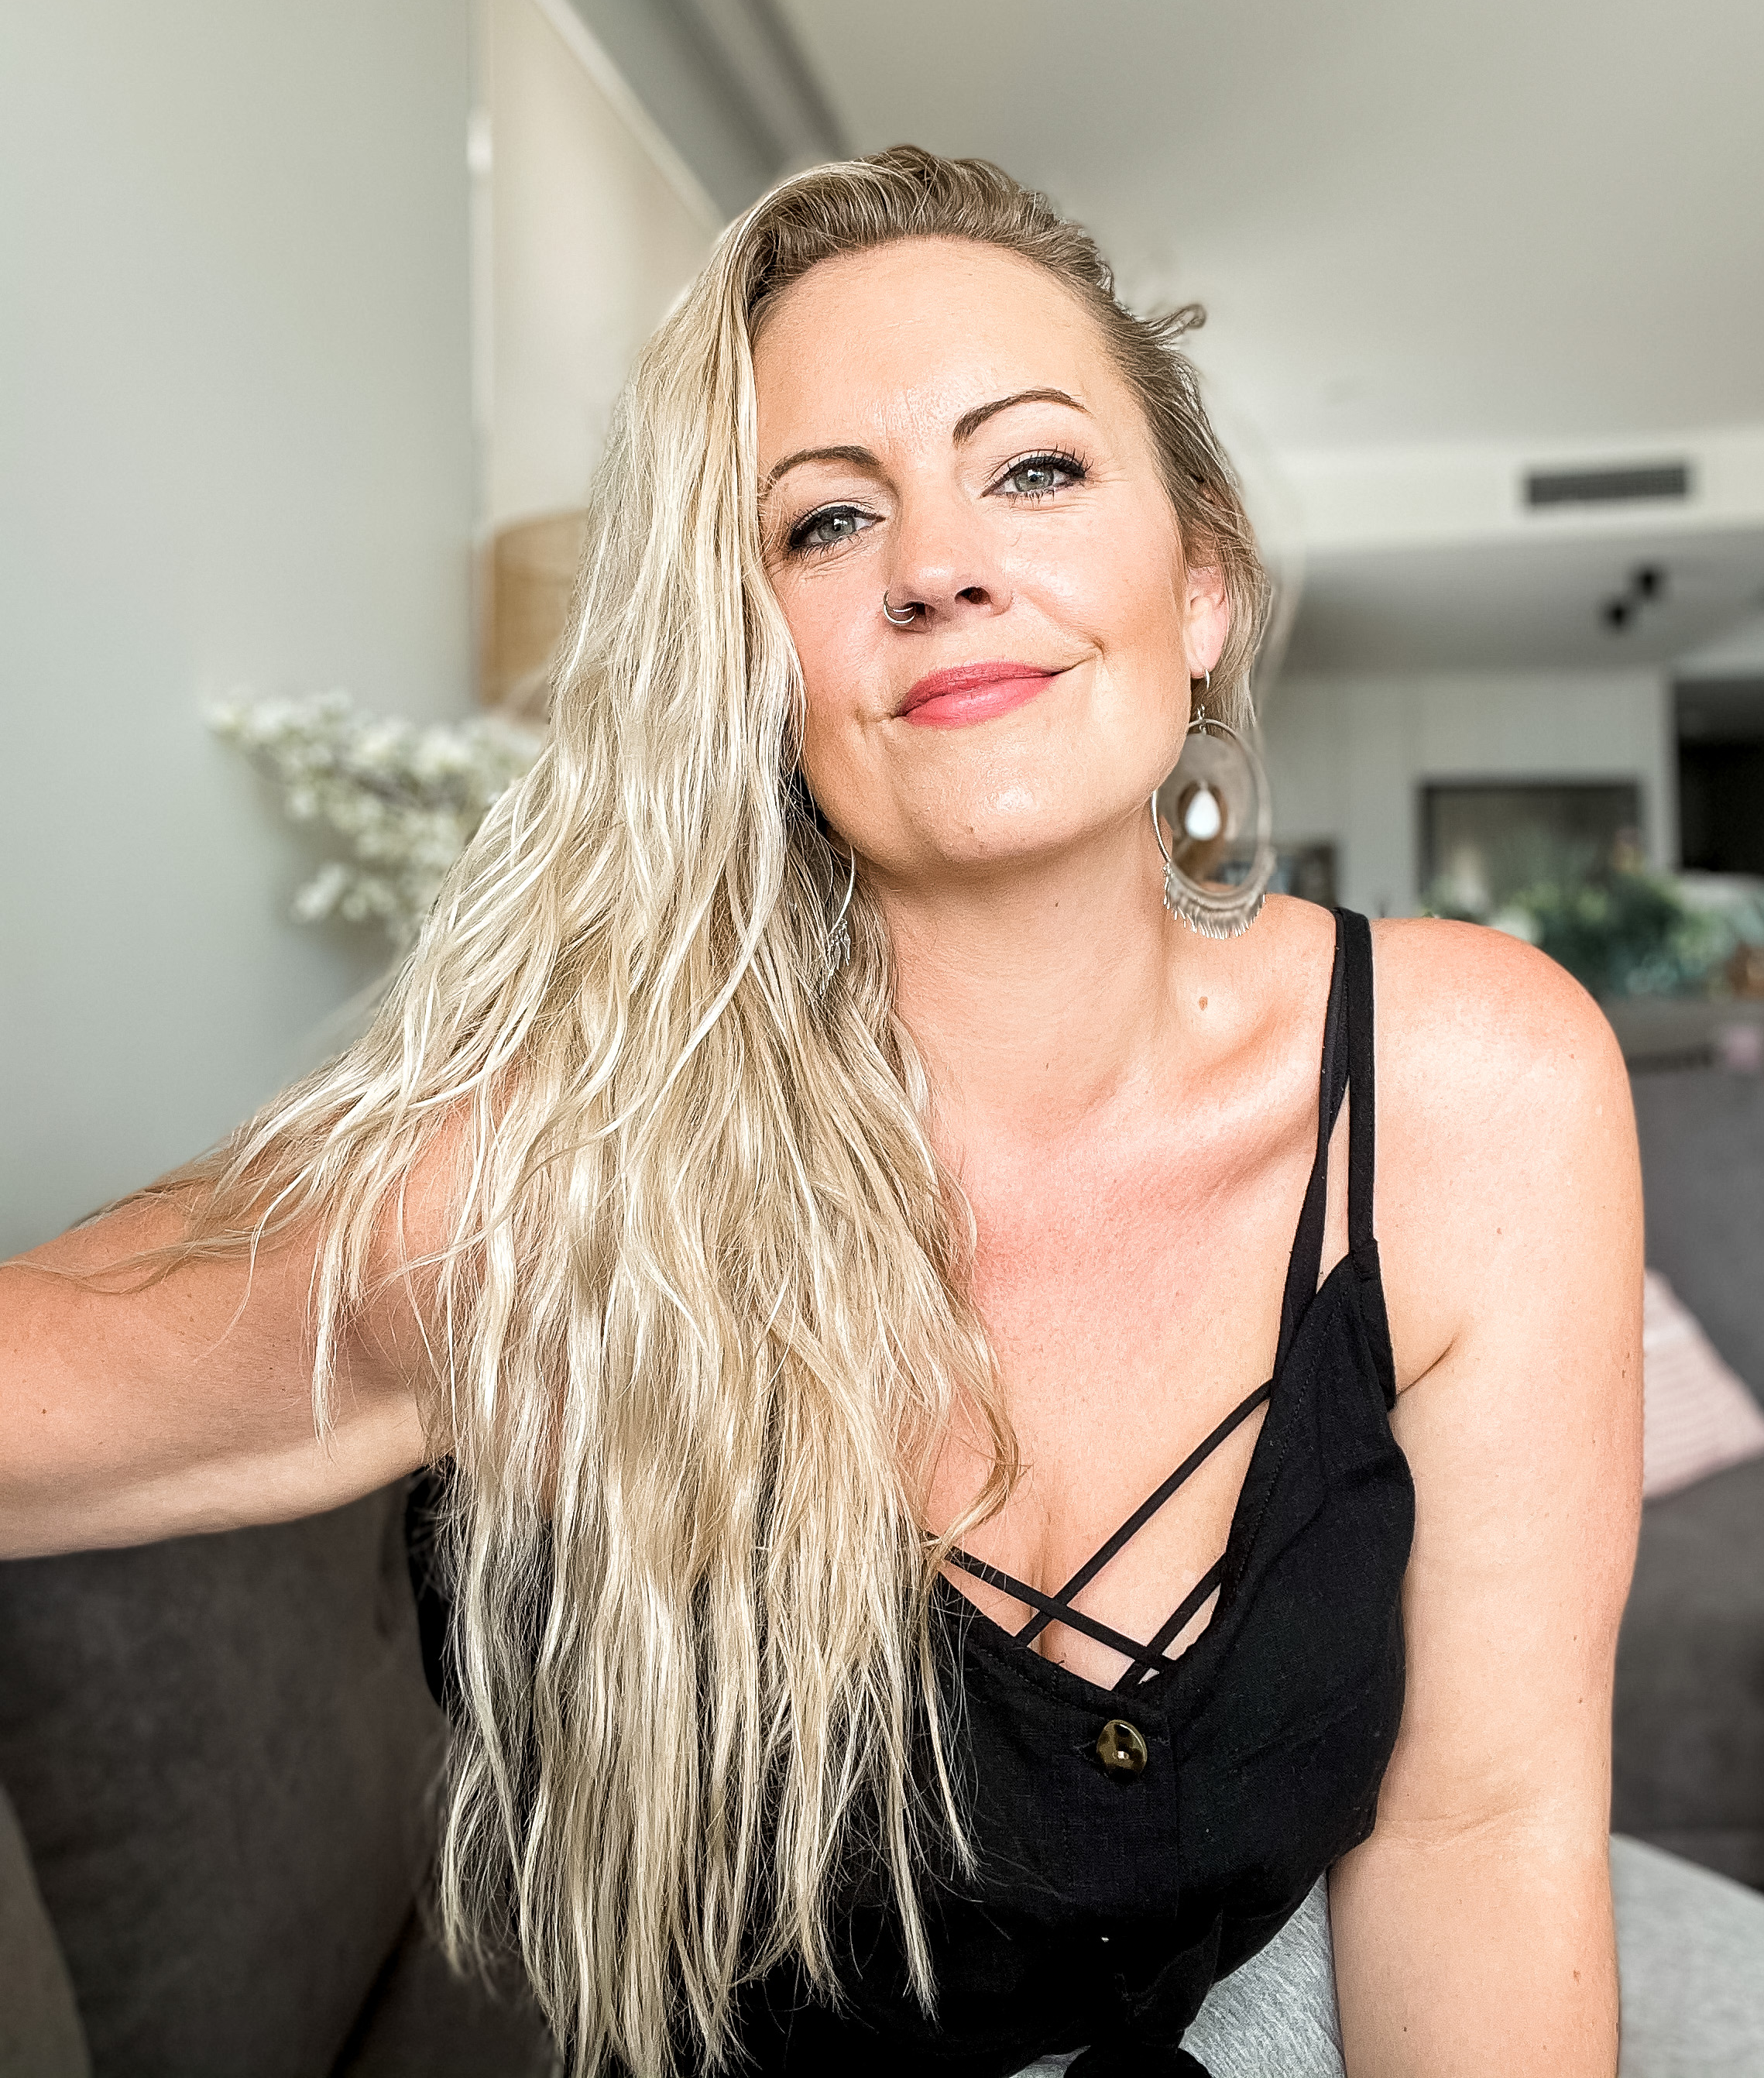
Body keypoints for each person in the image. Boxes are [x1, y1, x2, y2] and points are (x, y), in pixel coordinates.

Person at [2, 149, 1642, 2077]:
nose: (938, 563)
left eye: (1035, 469)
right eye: (827, 518)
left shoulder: (1474, 1091)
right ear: (743, 655)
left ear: (1203, 581)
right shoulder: (558, 1195)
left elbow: (1482, 1834)